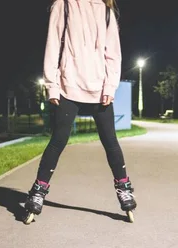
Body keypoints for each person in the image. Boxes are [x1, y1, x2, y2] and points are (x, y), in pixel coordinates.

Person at [23, 0, 136, 223]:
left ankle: (124, 188)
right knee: (58, 141)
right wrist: (52, 85)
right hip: (67, 86)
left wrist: (110, 86)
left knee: (111, 142)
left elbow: (113, 54)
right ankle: (38, 191)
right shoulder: (63, 5)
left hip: (99, 88)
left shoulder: (106, 11)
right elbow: (53, 45)